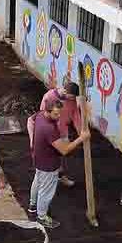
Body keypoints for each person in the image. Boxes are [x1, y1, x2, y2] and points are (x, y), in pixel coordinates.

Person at [29, 99, 90, 228]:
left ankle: (32, 206)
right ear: (47, 111)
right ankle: (41, 217)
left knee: (37, 182)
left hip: (38, 159)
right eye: (56, 114)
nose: (59, 117)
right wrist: (81, 138)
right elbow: (64, 150)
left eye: (60, 113)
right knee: (46, 191)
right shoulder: (49, 128)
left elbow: (31, 120)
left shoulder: (40, 115)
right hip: (49, 165)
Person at [27, 81, 83, 187]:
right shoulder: (49, 97)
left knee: (60, 155)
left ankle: (59, 176)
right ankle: (44, 180)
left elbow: (75, 113)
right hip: (49, 132)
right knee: (48, 155)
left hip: (62, 130)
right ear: (65, 91)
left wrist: (80, 131)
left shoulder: (71, 99)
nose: (72, 100)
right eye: (71, 97)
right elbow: (42, 118)